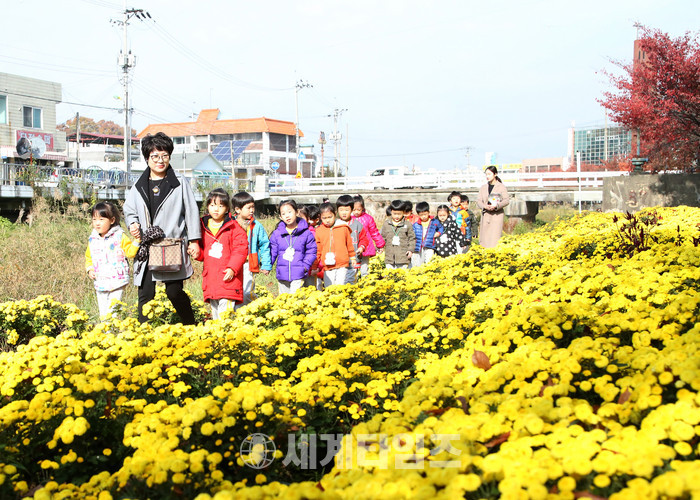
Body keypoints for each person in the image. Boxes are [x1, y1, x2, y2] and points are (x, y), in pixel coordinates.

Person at [124, 132, 201, 325]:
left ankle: (191, 326)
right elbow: (129, 210)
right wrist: (133, 223)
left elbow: (191, 211)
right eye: (155, 156)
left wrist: (194, 241)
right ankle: (143, 334)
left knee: (174, 292)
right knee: (145, 294)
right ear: (147, 158)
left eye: (164, 155)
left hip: (171, 246)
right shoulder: (139, 185)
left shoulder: (179, 182)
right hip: (147, 247)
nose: (160, 160)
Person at [195, 188, 248, 320]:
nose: (216, 209)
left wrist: (232, 268)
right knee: (216, 314)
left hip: (229, 278)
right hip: (211, 279)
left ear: (227, 208)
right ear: (207, 206)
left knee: (226, 315)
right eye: (213, 205)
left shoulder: (234, 227)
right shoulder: (202, 226)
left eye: (220, 206)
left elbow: (240, 250)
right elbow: (204, 253)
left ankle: (227, 333)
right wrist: (197, 253)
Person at [85, 201, 140, 320]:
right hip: (100, 280)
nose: (97, 223)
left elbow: (130, 252)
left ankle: (112, 330)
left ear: (112, 220)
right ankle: (105, 330)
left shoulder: (119, 236)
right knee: (103, 313)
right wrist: (90, 269)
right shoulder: (93, 239)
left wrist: (137, 241)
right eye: (94, 219)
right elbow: (89, 256)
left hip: (117, 280)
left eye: (101, 219)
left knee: (113, 312)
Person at [232, 191, 272, 305]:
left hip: (248, 264)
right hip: (234, 264)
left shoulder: (257, 226)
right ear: (238, 209)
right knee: (235, 292)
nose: (252, 210)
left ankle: (260, 307)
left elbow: (264, 245)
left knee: (247, 292)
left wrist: (266, 264)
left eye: (253, 207)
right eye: (248, 208)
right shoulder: (231, 224)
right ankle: (239, 312)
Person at [269, 199, 317, 295]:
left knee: (295, 298)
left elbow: (311, 251)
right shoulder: (277, 234)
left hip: (299, 273)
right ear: (280, 217)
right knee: (284, 299)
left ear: (296, 212)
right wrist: (267, 266)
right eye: (283, 214)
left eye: (289, 212)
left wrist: (305, 266)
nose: (287, 216)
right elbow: (272, 251)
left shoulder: (306, 233)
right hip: (282, 274)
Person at [314, 202, 356, 287]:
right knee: (329, 287)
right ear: (320, 217)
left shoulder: (343, 227)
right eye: (324, 218)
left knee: (340, 286)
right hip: (328, 264)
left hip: (342, 263)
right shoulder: (319, 230)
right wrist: (315, 265)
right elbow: (318, 249)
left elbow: (349, 243)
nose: (327, 220)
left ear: (335, 214)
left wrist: (352, 257)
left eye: (330, 217)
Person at [336, 195, 369, 284]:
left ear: (351, 210)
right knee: (340, 282)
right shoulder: (335, 225)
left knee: (351, 282)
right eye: (341, 210)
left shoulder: (357, 225)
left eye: (347, 210)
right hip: (339, 261)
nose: (344, 213)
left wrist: (361, 247)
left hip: (353, 259)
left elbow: (364, 239)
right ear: (337, 211)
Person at [351, 194, 385, 279]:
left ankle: (364, 282)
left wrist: (380, 244)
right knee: (352, 269)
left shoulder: (368, 218)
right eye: (354, 210)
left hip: (366, 247)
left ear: (363, 208)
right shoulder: (349, 219)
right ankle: (353, 283)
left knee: (364, 268)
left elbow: (374, 232)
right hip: (353, 246)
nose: (356, 212)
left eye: (358, 209)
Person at [477, 165, 510, 248]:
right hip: (486, 215)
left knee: (495, 239)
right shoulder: (483, 187)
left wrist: (496, 206)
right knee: (484, 239)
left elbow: (506, 200)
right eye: (486, 174)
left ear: (495, 174)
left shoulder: (501, 187)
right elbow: (479, 201)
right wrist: (485, 206)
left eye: (489, 174)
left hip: (496, 216)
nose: (487, 176)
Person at [380, 199, 415, 269]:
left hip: (403, 257)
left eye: (399, 214)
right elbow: (382, 237)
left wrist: (410, 250)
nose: (397, 216)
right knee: (389, 274)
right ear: (391, 212)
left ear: (403, 213)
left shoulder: (407, 224)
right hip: (389, 257)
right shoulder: (386, 224)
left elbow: (412, 238)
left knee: (402, 274)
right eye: (394, 214)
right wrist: (380, 247)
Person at [411, 201, 437, 267]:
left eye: (425, 214)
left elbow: (440, 228)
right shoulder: (416, 225)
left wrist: (438, 233)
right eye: (421, 215)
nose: (424, 216)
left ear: (429, 212)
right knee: (418, 263)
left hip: (429, 245)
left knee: (429, 262)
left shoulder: (434, 222)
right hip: (419, 246)